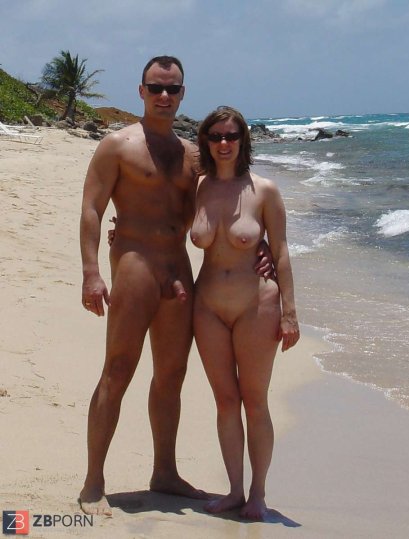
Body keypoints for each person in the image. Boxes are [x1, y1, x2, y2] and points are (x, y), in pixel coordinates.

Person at [79, 56, 272, 516]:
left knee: (172, 375)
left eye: (172, 89)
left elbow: (228, 197)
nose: (164, 96)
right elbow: (91, 208)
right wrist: (91, 272)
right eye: (155, 87)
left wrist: (260, 243)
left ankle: (164, 471)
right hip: (134, 264)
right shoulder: (117, 145)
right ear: (141, 91)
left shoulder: (192, 155)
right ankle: (93, 482)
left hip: (179, 269)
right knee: (118, 369)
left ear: (183, 94)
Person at [191, 106, 300, 520]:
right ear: (205, 140)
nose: (224, 143)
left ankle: (258, 494)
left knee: (254, 401)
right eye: (216, 136)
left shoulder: (264, 190)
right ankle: (234, 490)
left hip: (257, 305)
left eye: (231, 136)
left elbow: (281, 251)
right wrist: (125, 231)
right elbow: (165, 224)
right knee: (225, 400)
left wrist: (289, 313)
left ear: (243, 141)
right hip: (207, 307)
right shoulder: (196, 187)